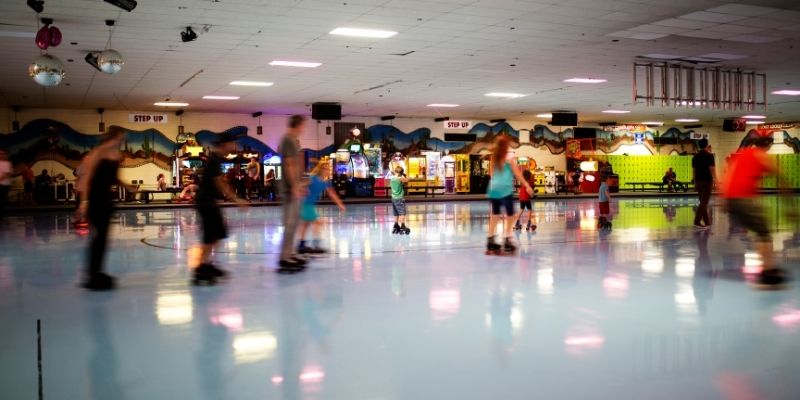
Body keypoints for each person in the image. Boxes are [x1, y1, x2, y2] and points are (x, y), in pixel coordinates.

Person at [721, 136, 788, 289]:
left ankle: (768, 268)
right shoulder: (762, 156)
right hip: (743, 199)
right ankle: (767, 275)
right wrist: (789, 205)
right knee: (765, 235)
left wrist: (724, 199)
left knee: (762, 233)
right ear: (769, 145)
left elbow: (729, 175)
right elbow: (781, 177)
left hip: (733, 199)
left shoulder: (743, 154)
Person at [76, 126, 138, 290]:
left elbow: (114, 178)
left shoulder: (116, 155)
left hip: (107, 200)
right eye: (120, 137)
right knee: (98, 236)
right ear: (113, 137)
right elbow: (87, 178)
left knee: (103, 237)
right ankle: (92, 272)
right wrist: (84, 202)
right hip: (95, 199)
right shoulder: (98, 152)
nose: (122, 140)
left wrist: (128, 187)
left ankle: (96, 271)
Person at [191, 133, 248, 284]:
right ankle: (201, 268)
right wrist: (237, 199)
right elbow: (220, 183)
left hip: (209, 202)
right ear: (225, 144)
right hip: (205, 202)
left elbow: (219, 182)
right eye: (233, 143)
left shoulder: (216, 158)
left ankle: (206, 264)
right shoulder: (214, 158)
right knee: (211, 236)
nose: (235, 147)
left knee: (218, 234)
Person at [486, 136, 533, 253]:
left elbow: (491, 173)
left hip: (493, 189)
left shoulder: (494, 157)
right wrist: (527, 185)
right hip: (505, 189)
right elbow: (518, 174)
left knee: (495, 214)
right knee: (510, 214)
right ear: (506, 145)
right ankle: (507, 239)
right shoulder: (510, 157)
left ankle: (490, 240)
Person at [277, 115, 309, 272]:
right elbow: (289, 165)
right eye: (303, 126)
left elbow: (295, 166)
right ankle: (284, 257)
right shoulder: (288, 140)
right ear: (297, 125)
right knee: (290, 225)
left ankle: (290, 253)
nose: (304, 129)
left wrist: (300, 183)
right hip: (289, 190)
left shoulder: (292, 141)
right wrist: (295, 186)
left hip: (293, 188)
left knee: (294, 223)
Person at [297, 161, 345, 254]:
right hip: (306, 204)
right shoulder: (313, 178)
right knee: (317, 223)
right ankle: (316, 245)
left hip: (309, 205)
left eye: (328, 169)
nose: (327, 170)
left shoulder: (324, 182)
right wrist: (302, 190)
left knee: (306, 225)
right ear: (320, 169)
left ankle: (301, 245)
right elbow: (301, 185)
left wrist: (339, 203)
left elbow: (331, 194)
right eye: (325, 168)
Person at [692, 138, 717, 229]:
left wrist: (694, 183)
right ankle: (697, 221)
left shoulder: (695, 157)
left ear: (699, 145)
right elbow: (712, 170)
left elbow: (694, 172)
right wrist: (716, 181)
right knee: (704, 202)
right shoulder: (710, 156)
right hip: (707, 181)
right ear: (707, 145)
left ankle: (707, 222)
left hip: (698, 181)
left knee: (703, 202)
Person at [390, 165, 410, 234]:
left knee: (396, 213)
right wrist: (405, 175)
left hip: (393, 198)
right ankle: (402, 225)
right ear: (401, 173)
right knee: (402, 213)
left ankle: (396, 225)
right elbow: (408, 179)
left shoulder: (392, 179)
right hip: (399, 198)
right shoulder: (400, 179)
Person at [0, 150, 11, 216]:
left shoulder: (7, 163)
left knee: (2, 199)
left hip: (4, 184)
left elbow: (6, 174)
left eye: (2, 154)